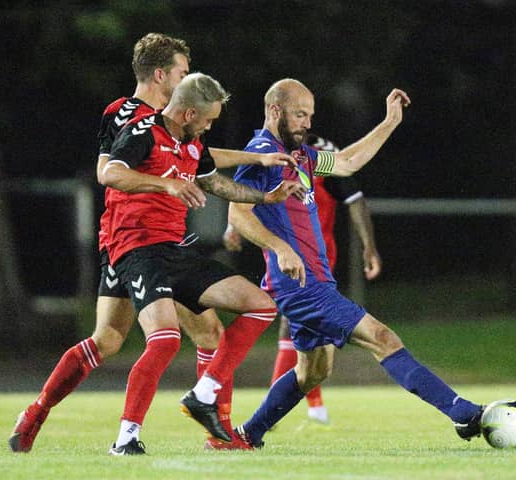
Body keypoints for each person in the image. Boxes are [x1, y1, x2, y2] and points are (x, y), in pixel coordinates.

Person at [9, 34, 297, 455]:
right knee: (187, 335)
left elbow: (197, 155)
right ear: (162, 75)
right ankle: (202, 430)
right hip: (136, 241)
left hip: (151, 241)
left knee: (112, 339)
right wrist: (168, 185)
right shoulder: (133, 118)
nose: (186, 77)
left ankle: (36, 413)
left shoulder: (178, 126)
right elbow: (113, 169)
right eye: (182, 71)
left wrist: (257, 162)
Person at [226, 78, 487, 449]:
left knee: (312, 371)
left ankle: (247, 435)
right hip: (302, 285)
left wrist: (390, 121)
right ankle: (462, 411)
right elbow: (238, 214)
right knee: (382, 338)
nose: (307, 123)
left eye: (310, 115)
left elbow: (346, 162)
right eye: (299, 114)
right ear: (274, 111)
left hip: (314, 281)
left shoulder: (300, 156)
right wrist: (279, 248)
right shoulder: (261, 152)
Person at [100, 72, 305, 454]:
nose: (209, 126)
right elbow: (110, 172)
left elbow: (218, 184)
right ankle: (125, 439)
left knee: (260, 305)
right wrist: (166, 184)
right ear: (189, 112)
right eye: (208, 120)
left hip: (176, 251)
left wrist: (268, 197)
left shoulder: (190, 143)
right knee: (163, 341)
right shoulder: (143, 132)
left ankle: (204, 394)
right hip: (139, 249)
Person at [223, 133, 382, 425]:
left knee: (297, 324)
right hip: (281, 249)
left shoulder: (318, 153)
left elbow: (354, 197)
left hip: (315, 254)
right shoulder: (268, 151)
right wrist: (234, 225)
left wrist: (368, 246)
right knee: (300, 327)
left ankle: (277, 410)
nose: (301, 121)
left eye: (305, 115)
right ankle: (308, 406)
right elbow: (247, 194)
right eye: (298, 114)